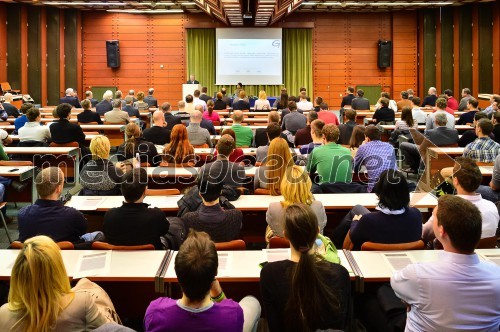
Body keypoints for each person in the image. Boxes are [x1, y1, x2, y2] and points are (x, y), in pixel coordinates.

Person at [391, 195, 500, 331]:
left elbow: (396, 285)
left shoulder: (417, 274)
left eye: (433, 217)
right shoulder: (497, 276)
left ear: (441, 230)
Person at [145, 230, 261, 332]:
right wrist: (219, 294)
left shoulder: (155, 311)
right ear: (215, 273)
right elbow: (228, 309)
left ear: (177, 273)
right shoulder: (233, 314)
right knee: (251, 301)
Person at [260, 203, 351, 332]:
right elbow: (343, 323)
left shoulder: (269, 274)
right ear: (318, 232)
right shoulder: (340, 273)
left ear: (285, 235)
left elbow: (274, 326)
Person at [0, 236, 110, 331]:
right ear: (58, 268)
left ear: (17, 274)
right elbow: (107, 329)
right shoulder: (82, 303)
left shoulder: (3, 314)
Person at [333, 169, 422, 250]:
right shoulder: (416, 215)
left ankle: (334, 242)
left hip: (369, 262)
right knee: (358, 208)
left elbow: (353, 236)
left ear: (379, 192)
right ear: (406, 192)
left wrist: (355, 222)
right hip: (408, 261)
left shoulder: (368, 220)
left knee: (356, 211)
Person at [422, 157, 498, 243]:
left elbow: (425, 234)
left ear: (455, 181)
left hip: (449, 254)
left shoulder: (443, 209)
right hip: (485, 254)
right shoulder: (492, 207)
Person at [17, 167, 98, 243]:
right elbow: (83, 229)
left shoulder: (23, 214)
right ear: (58, 188)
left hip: (34, 256)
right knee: (98, 234)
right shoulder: (73, 215)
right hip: (66, 255)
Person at [102, 168, 169, 249]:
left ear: (122, 190)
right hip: (152, 259)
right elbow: (164, 231)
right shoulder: (157, 215)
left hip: (117, 259)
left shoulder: (109, 215)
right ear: (145, 190)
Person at [266, 165, 327, 240]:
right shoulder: (318, 206)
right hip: (313, 249)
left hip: (281, 250)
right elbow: (321, 231)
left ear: (284, 186)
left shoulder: (273, 208)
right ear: (308, 184)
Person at [182, 172, 242, 242]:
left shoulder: (188, 218)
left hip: (202, 252)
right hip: (229, 252)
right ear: (220, 192)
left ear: (200, 194)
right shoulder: (236, 215)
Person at [354, 125, 397, 192]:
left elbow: (355, 167)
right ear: (379, 136)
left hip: (375, 189)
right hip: (394, 186)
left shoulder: (363, 147)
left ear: (367, 138)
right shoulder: (390, 147)